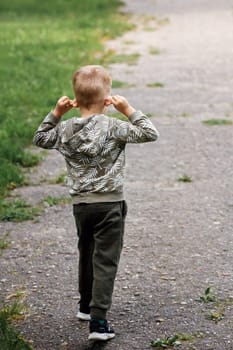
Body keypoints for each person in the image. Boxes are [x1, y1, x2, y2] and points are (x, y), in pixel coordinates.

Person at [33, 65, 159, 342]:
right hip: (110, 205)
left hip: (82, 206)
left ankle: (85, 306)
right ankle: (99, 321)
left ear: (75, 101)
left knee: (87, 253)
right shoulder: (114, 126)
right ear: (107, 100)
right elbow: (150, 133)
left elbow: (40, 138)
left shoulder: (64, 128)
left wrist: (56, 114)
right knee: (105, 260)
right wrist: (128, 110)